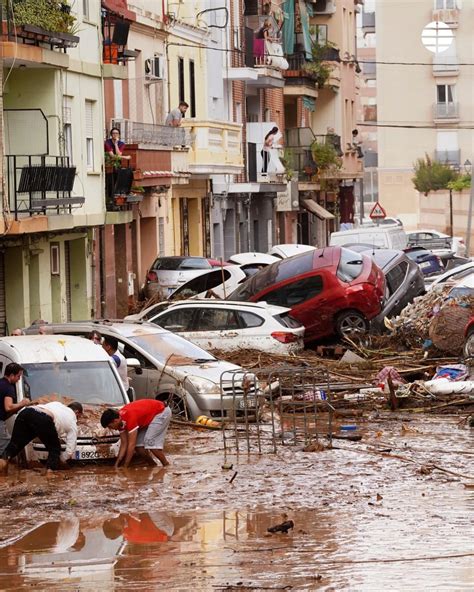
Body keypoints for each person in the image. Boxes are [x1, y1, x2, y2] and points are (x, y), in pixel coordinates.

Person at [0, 401, 83, 475]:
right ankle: (50, 476)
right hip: (43, 418)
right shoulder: (72, 421)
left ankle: (2, 469)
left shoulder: (57, 404)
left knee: (15, 445)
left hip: (25, 412)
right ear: (77, 412)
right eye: (79, 416)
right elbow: (70, 450)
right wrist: (60, 460)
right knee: (54, 449)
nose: (78, 419)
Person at [100, 399, 171, 468]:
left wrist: (125, 466)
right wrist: (117, 464)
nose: (110, 429)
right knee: (139, 447)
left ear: (115, 421)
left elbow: (131, 445)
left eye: (110, 426)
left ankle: (166, 465)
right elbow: (124, 444)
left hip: (161, 411)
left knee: (150, 442)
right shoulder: (120, 422)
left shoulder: (129, 417)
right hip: (149, 417)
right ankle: (152, 465)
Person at [0, 363, 31, 456]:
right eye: (18, 376)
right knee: (6, 446)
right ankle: (3, 469)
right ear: (12, 375)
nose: (19, 379)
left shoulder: (0, 383)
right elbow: (8, 407)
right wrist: (22, 403)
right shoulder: (9, 387)